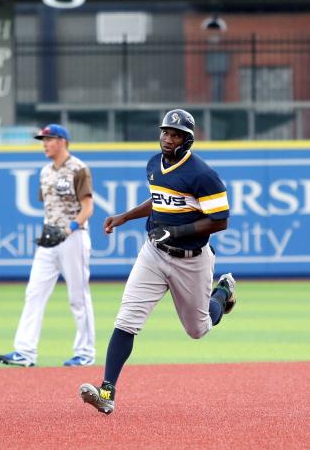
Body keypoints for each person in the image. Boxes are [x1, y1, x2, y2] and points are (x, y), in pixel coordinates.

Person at [79, 109, 236, 414]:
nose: (168, 138)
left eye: (175, 134)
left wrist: (177, 230)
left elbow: (220, 221)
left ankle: (223, 291)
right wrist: (124, 216)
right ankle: (107, 391)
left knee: (198, 329)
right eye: (165, 132)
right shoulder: (154, 163)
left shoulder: (202, 174)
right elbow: (158, 200)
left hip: (191, 260)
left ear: (187, 140)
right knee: (127, 319)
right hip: (153, 253)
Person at [0, 123, 96, 368]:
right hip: (49, 239)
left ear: (62, 141)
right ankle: (25, 352)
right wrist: (51, 230)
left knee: (78, 297)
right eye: (42, 140)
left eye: (48, 139)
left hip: (74, 237)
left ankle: (85, 353)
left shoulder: (78, 168)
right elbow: (50, 207)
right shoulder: (45, 172)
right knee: (34, 292)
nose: (44, 144)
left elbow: (88, 207)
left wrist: (69, 229)